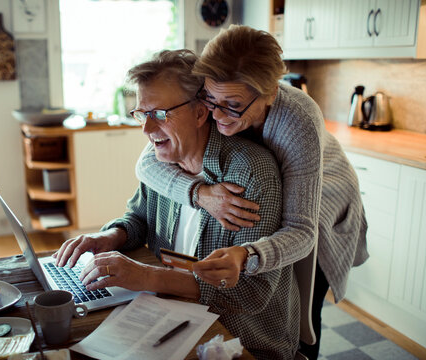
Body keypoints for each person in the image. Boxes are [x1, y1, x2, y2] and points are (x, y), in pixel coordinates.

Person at [135, 25, 369, 359]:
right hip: (273, 188)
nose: (215, 115)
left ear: (270, 93)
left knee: (303, 315)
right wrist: (200, 193)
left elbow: (302, 230)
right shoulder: (216, 100)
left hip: (324, 204)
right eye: (210, 101)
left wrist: (248, 255)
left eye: (232, 105)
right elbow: (146, 164)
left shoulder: (296, 122)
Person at [53, 49, 300, 360]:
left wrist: (146, 277)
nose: (146, 129)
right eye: (142, 114)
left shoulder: (250, 173)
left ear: (200, 112)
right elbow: (139, 219)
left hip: (240, 338)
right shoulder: (161, 162)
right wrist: (107, 238)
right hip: (173, 317)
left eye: (159, 114)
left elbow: (252, 292)